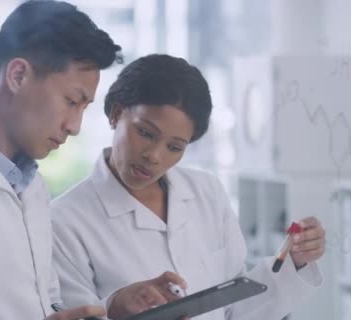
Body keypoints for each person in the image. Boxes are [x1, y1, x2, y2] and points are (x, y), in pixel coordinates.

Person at [0, 2, 185, 319]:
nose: (75, 126)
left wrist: (113, 308)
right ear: (18, 75)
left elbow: (48, 302)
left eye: (83, 108)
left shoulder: (32, 187)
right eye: (72, 101)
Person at [51, 54, 326, 320]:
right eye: (145, 133)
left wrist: (295, 261)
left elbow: (235, 310)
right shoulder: (65, 221)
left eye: (174, 147)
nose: (154, 156)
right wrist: (117, 308)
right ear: (116, 114)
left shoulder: (207, 192)